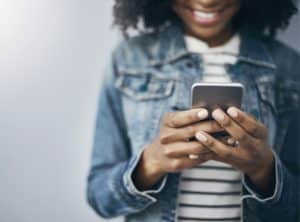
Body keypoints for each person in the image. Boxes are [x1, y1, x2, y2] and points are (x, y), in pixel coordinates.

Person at [87, 0, 300, 221]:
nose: (207, 1)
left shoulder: (289, 67)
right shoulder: (128, 59)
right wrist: (150, 163)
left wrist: (265, 170)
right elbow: (100, 198)